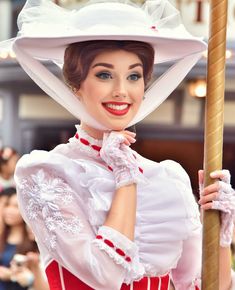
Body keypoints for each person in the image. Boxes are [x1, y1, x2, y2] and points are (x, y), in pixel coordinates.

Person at [1, 0, 234, 289]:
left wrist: (220, 237)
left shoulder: (167, 178)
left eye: (134, 76)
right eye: (104, 74)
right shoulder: (47, 172)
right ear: (76, 85)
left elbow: (207, 287)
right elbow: (105, 275)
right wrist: (125, 179)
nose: (122, 91)